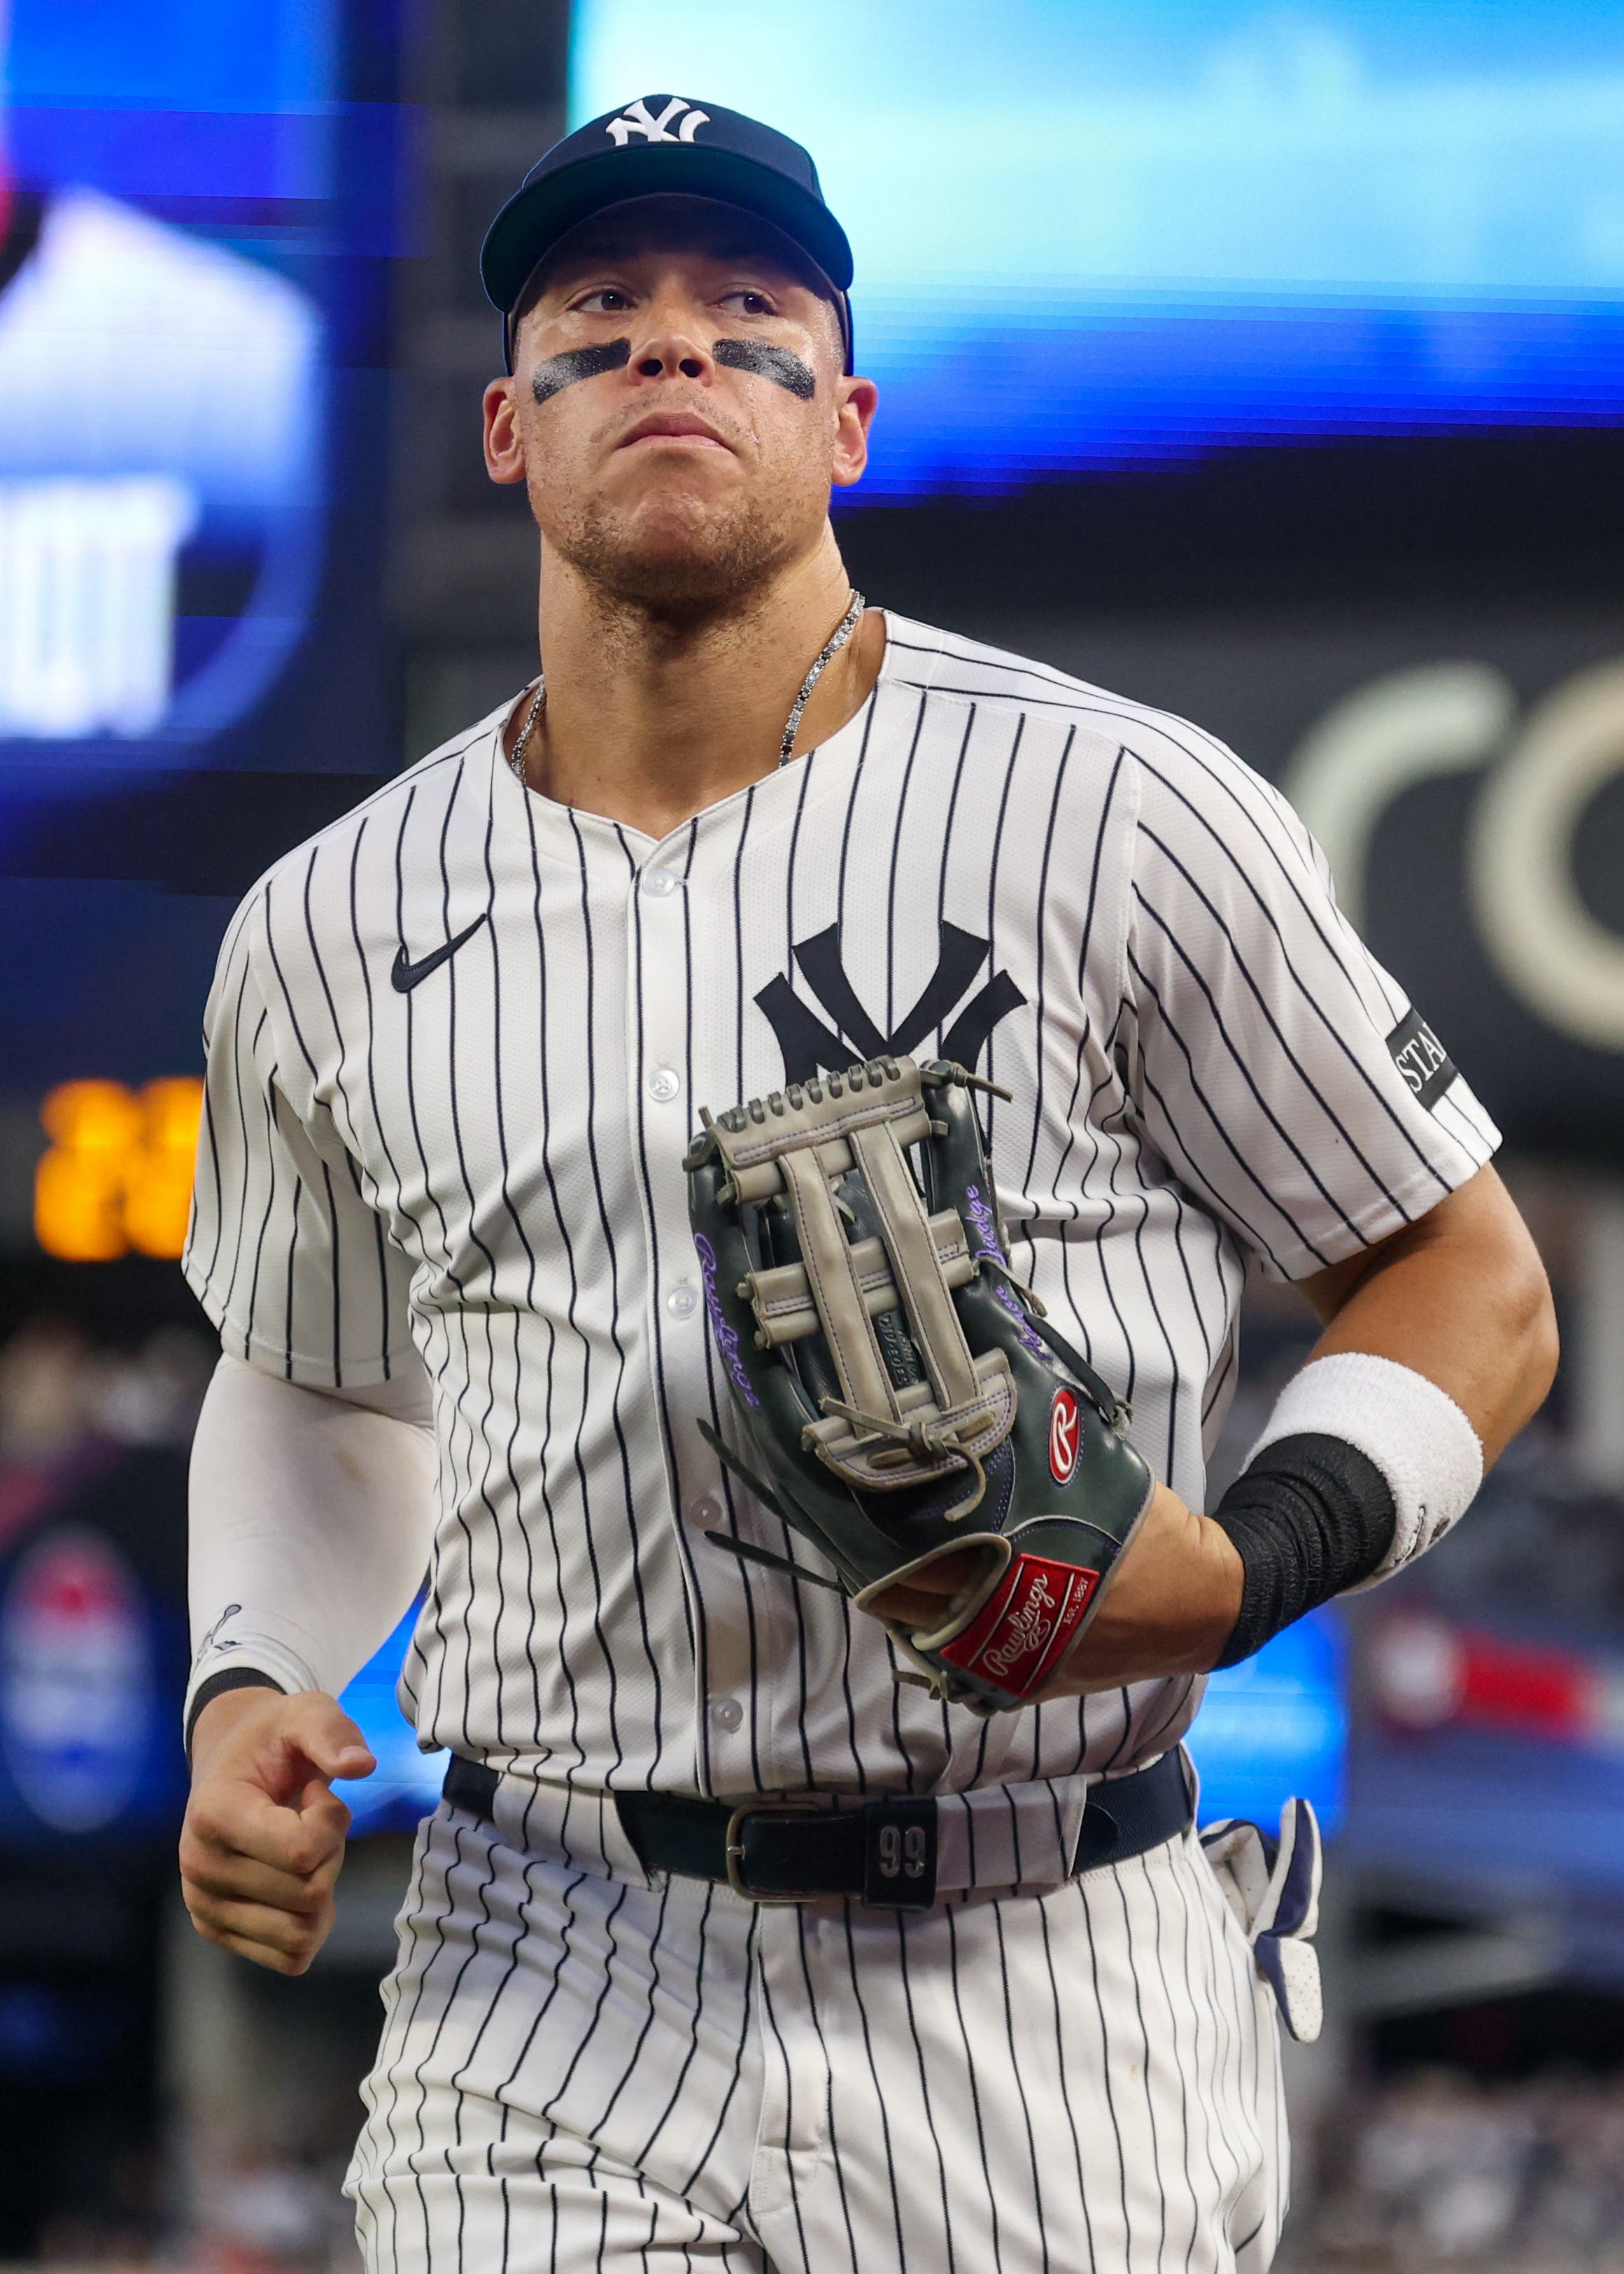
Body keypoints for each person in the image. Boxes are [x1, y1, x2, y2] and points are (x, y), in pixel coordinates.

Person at [176, 95, 1557, 2273]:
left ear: (848, 421)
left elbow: (1463, 1277)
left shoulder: (1118, 809)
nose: (670, 353)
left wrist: (1243, 1565)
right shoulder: (332, 921)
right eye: (597, 316)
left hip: (1042, 1953)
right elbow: (322, 1375)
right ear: (504, 432)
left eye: (745, 315)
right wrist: (254, 1676)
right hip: (548, 1953)